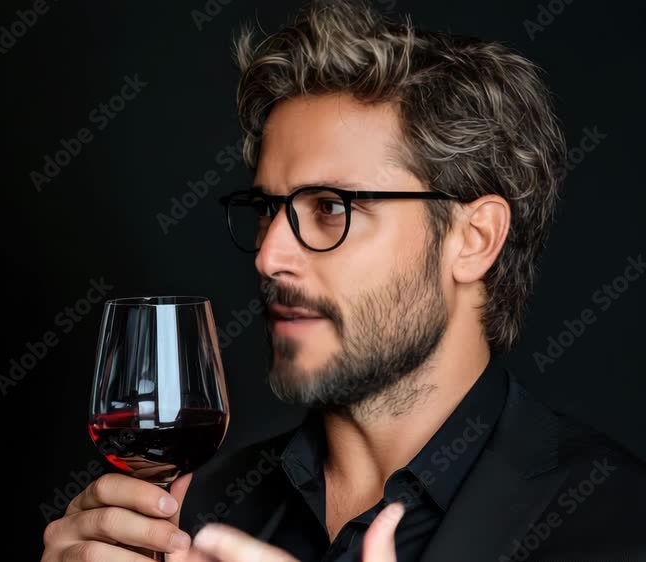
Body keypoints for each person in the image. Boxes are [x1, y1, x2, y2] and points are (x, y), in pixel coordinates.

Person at [41, 0, 646, 560]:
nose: (268, 255)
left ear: (475, 238)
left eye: (331, 207)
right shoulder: (189, 512)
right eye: (267, 209)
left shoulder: (618, 523)